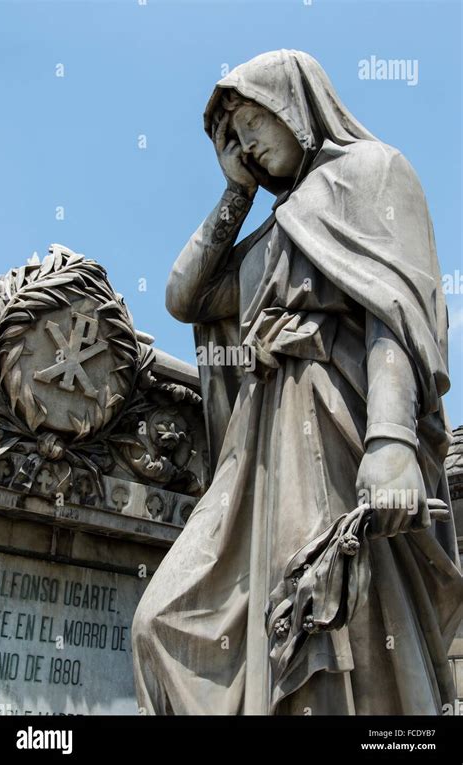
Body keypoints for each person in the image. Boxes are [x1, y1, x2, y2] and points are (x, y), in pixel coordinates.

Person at [132, 49, 463, 715]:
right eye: (238, 134)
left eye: (256, 121)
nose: (249, 141)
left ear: (298, 107)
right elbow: (184, 296)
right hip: (255, 452)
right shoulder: (276, 230)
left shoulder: (374, 172)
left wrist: (391, 438)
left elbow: (393, 313)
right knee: (159, 622)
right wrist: (236, 193)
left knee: (320, 614)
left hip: (332, 425)